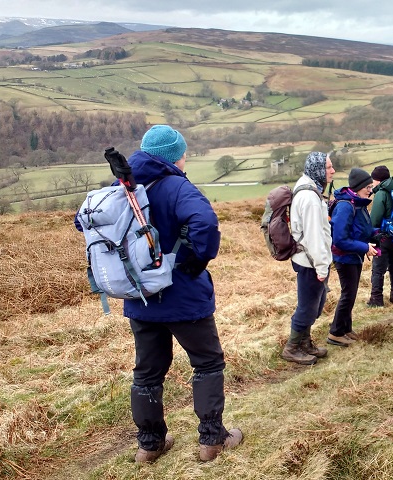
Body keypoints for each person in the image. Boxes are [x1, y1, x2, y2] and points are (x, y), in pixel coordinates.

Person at [100, 125, 242, 462]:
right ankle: (212, 440)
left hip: (140, 297)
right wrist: (191, 264)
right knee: (207, 363)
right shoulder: (176, 184)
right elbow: (205, 224)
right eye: (183, 151)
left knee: (147, 372)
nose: (186, 156)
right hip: (183, 298)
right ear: (174, 154)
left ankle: (149, 446)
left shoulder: (123, 187)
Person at [281, 151, 335, 365]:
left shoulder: (307, 187)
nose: (332, 171)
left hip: (307, 259)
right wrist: (322, 267)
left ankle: (305, 343)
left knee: (314, 303)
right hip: (310, 262)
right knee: (308, 306)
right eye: (328, 167)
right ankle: (292, 347)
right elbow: (314, 237)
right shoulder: (311, 198)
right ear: (317, 170)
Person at [327, 168, 379, 347]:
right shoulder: (345, 206)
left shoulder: (358, 203)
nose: (370, 190)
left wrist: (377, 233)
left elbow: (361, 230)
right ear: (358, 187)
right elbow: (340, 239)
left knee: (351, 293)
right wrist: (364, 247)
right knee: (348, 294)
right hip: (344, 258)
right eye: (367, 186)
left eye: (371, 186)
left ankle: (346, 328)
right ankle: (335, 332)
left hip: (354, 256)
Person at [367, 165, 393, 307]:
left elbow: (375, 218)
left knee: (378, 269)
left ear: (377, 180)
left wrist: (371, 238)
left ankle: (376, 299)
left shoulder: (381, 193)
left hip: (383, 236)